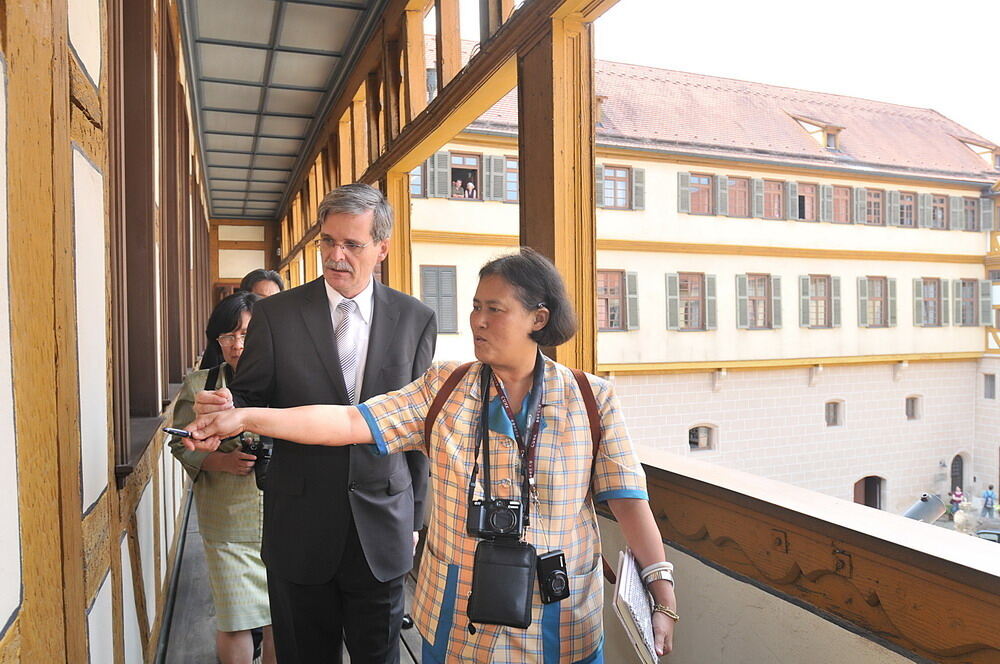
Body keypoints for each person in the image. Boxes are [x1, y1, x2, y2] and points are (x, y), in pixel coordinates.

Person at [187, 248, 677, 663]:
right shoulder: (445, 388)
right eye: (474, 306)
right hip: (457, 615)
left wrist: (661, 591)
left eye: (496, 309)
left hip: (561, 618)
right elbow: (347, 422)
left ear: (539, 319)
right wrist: (248, 418)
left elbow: (630, 502)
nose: (477, 321)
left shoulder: (590, 400)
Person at [196, 183, 436, 663]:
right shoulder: (276, 315)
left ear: (382, 248)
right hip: (298, 524)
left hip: (384, 527)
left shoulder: (415, 319)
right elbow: (251, 396)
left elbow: (420, 430)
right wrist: (226, 404)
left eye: (352, 244)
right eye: (328, 241)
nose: (336, 255)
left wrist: (418, 517)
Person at [168, 291, 275, 664]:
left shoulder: (286, 383)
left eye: (246, 334)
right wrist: (224, 463)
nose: (237, 345)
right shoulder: (201, 386)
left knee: (280, 618)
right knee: (234, 620)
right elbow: (180, 446)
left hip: (281, 516)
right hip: (226, 520)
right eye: (228, 336)